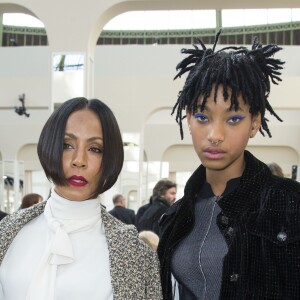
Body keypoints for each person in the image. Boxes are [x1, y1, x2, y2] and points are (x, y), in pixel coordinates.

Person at [157, 30, 300, 299]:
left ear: (255, 122)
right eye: (202, 117)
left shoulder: (290, 204)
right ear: (188, 119)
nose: (215, 134)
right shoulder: (174, 217)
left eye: (233, 118)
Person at [0, 97, 162, 300]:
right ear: (49, 146)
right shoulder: (8, 232)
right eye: (67, 145)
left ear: (110, 158)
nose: (79, 161)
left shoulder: (135, 254)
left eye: (95, 149)